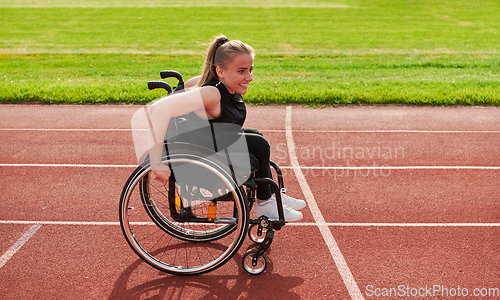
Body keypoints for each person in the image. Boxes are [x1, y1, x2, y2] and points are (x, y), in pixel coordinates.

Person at [147, 35, 306, 221]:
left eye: (250, 70)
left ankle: (269, 195)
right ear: (221, 72)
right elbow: (158, 109)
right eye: (241, 71)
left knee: (256, 135)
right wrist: (156, 163)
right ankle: (264, 203)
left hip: (211, 142)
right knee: (258, 143)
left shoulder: (226, 86)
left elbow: (193, 84)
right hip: (198, 152)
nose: (250, 77)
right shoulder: (212, 93)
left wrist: (217, 74)